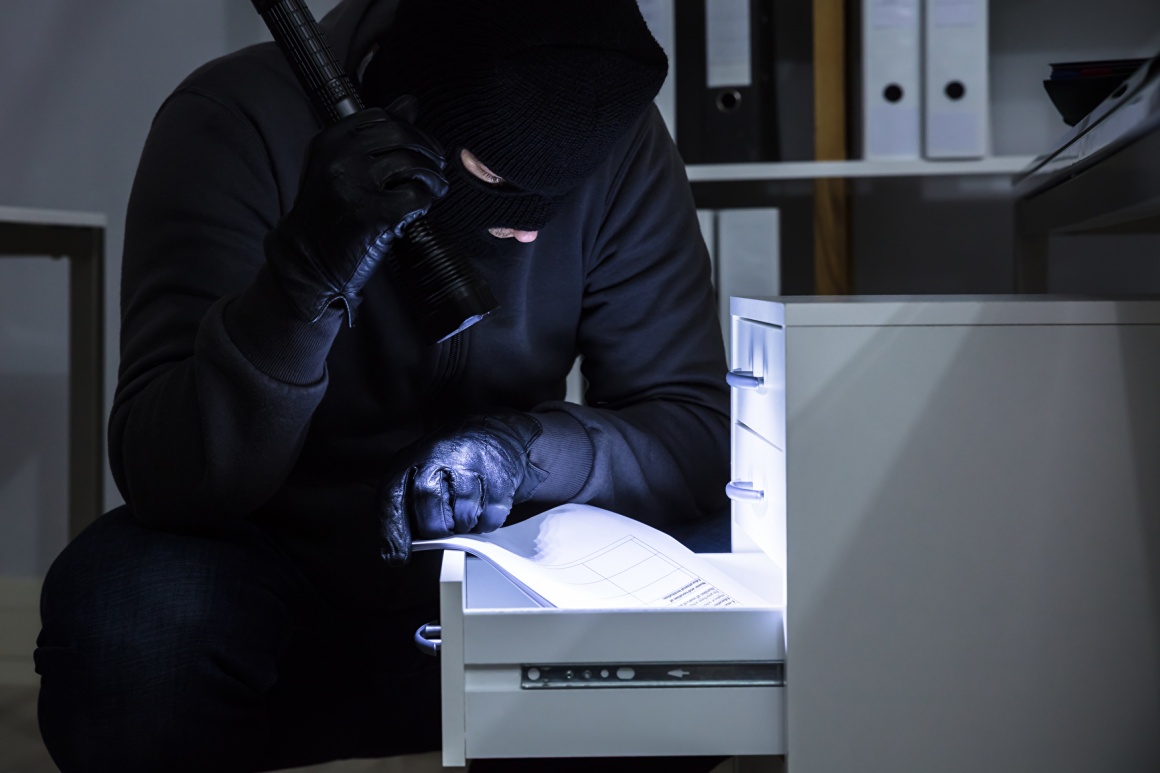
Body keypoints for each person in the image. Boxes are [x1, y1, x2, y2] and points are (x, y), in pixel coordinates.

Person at [35, 0, 731, 770]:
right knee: (131, 613)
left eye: (559, 194)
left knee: (738, 597)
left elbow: (692, 432)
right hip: (271, 576)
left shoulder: (618, 137)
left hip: (504, 576)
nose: (529, 232)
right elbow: (168, 476)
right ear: (407, 107)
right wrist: (302, 280)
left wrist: (523, 450)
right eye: (492, 174)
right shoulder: (233, 118)